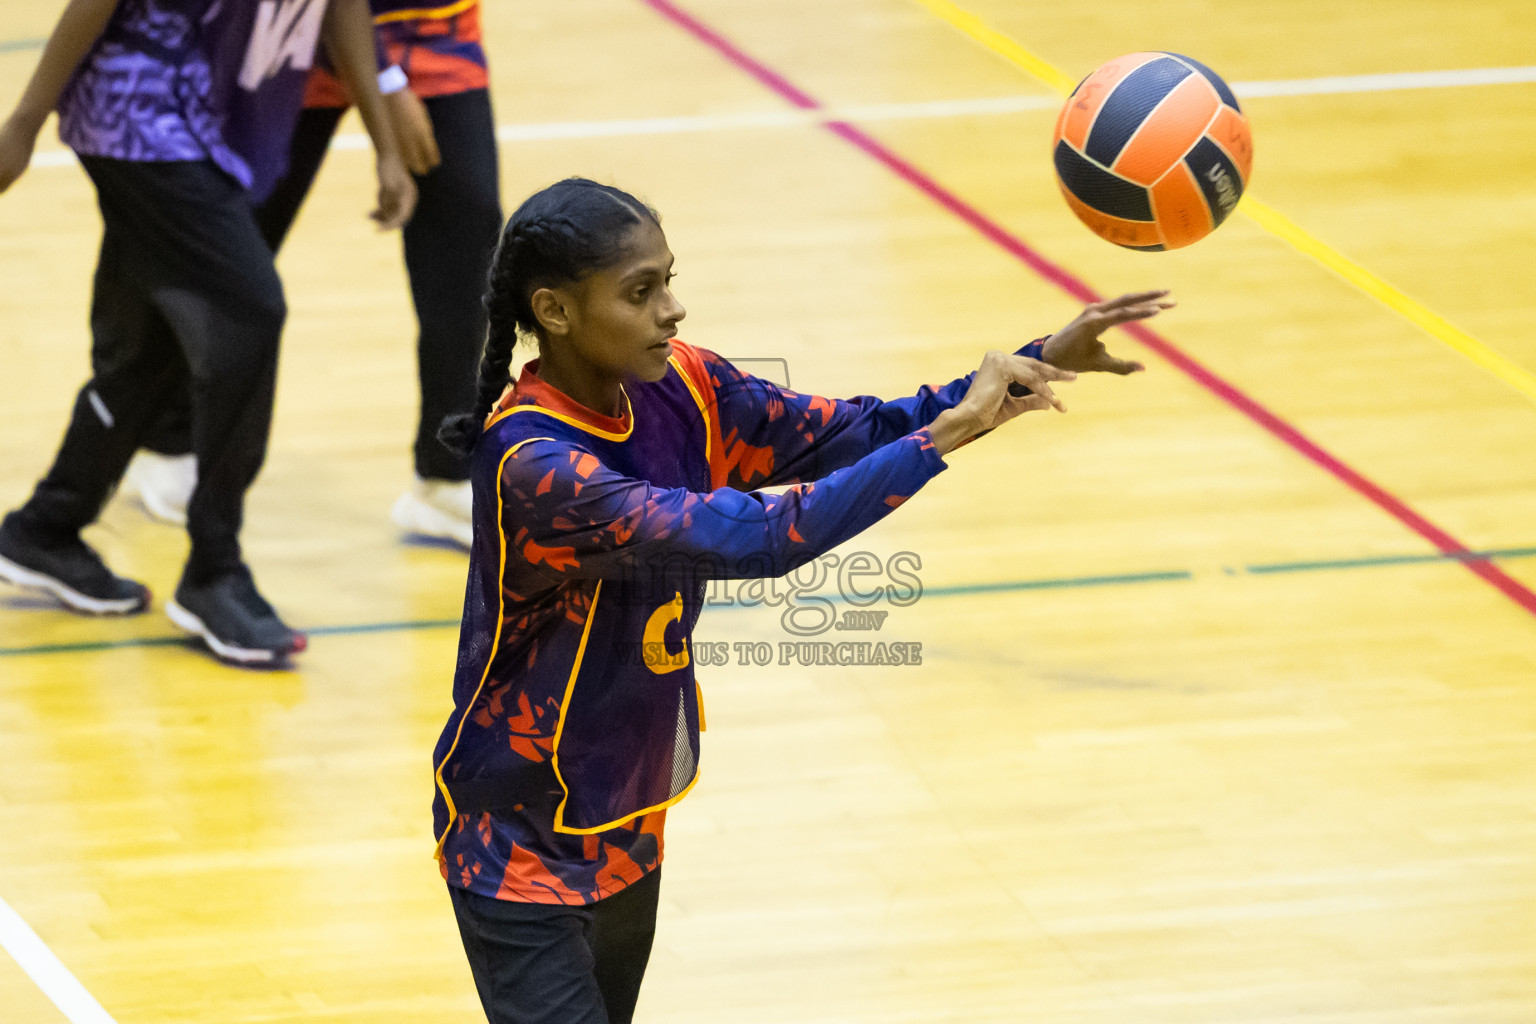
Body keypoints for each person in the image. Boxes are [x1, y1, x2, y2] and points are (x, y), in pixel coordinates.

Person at [429, 177, 1173, 1023]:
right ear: (555, 313)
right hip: (517, 839)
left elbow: (845, 433)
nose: (673, 308)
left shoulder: (688, 385)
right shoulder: (536, 464)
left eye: (668, 279)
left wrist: (1027, 366)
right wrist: (948, 435)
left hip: (624, 815)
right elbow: (758, 536)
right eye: (642, 292)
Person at [0, 0, 416, 665]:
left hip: (204, 121)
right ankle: (214, 571)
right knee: (251, 312)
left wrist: (385, 143)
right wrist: (22, 122)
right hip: (136, 113)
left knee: (153, 348)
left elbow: (343, 9)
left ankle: (46, 527)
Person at [124, 0, 502, 548]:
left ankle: (445, 475)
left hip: (434, 26)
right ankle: (167, 437)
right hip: (293, 30)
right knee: (233, 240)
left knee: (469, 242)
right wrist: (386, 81)